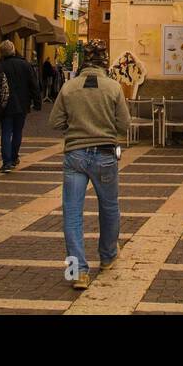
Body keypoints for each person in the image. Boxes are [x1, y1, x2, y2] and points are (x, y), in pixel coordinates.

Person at [48, 40, 129, 291]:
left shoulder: (69, 87)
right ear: (105, 61)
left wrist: (75, 127)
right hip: (105, 155)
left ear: (84, 60)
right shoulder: (113, 87)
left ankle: (79, 272)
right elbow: (124, 125)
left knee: (72, 214)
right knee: (109, 208)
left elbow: (54, 122)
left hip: (75, 155)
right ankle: (107, 257)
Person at [0, 40, 41, 173]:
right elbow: (34, 84)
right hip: (22, 103)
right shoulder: (25, 65)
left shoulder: (0, 66)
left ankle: (6, 162)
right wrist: (37, 102)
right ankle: (14, 156)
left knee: (6, 132)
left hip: (5, 104)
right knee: (17, 132)